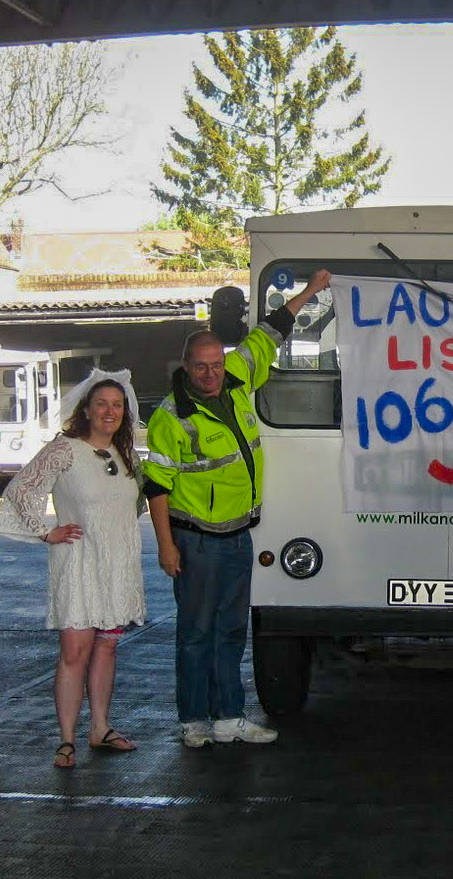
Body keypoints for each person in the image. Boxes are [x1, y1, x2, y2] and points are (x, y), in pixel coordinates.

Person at [145, 269, 332, 747]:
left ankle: (229, 718)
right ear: (185, 366)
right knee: (196, 633)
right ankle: (194, 722)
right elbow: (157, 487)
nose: (211, 374)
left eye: (215, 364)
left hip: (236, 537)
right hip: (195, 540)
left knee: (231, 630)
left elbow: (271, 331)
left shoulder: (237, 377)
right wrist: (166, 547)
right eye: (201, 367)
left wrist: (311, 291)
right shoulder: (172, 417)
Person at [0, 370, 147, 767]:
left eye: (117, 405)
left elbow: (133, 506)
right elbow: (21, 489)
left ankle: (100, 727)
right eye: (102, 404)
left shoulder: (126, 454)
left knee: (108, 646)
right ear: (87, 410)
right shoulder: (65, 450)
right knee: (74, 651)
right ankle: (66, 739)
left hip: (116, 566)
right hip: (79, 563)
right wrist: (45, 532)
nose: (110, 411)